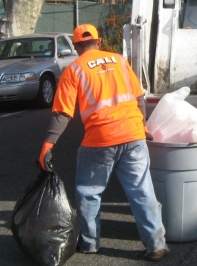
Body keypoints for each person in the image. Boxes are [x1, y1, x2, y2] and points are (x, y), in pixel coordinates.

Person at [39, 24, 169, 262]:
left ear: (77, 46)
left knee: (89, 193)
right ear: (99, 42)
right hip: (133, 135)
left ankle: (89, 244)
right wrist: (142, 125)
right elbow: (138, 96)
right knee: (142, 191)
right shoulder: (119, 60)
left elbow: (62, 113)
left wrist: (48, 145)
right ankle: (156, 246)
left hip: (99, 140)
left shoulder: (74, 69)